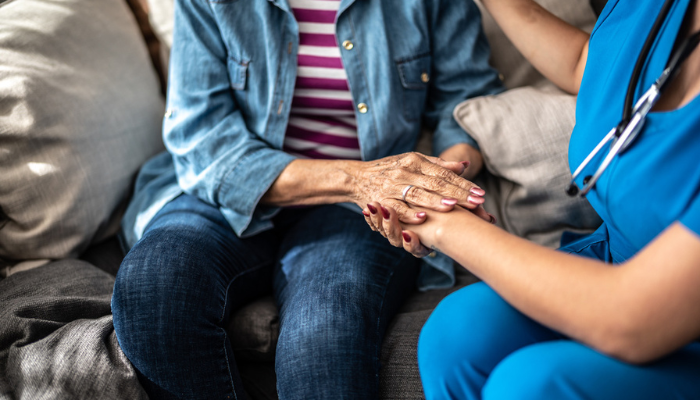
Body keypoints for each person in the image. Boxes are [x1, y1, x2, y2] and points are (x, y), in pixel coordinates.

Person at [110, 0, 503, 398]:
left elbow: (466, 103)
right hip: (228, 192)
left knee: (325, 339)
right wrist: (361, 178)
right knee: (153, 287)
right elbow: (203, 138)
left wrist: (433, 189)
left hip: (358, 212)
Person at [365, 0, 700, 398]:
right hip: (618, 256)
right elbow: (590, 64)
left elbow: (633, 316)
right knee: (457, 331)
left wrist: (441, 219)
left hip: (662, 307)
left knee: (530, 386)